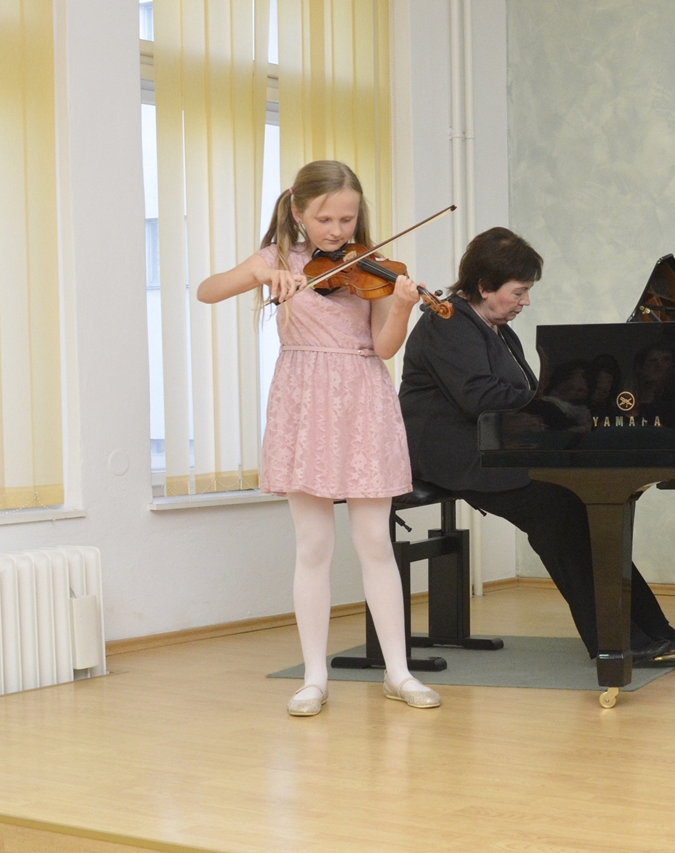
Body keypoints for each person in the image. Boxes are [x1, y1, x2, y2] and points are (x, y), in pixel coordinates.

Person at [197, 160, 440, 715]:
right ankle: (313, 677)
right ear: (297, 211)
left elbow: (383, 348)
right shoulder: (275, 260)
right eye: (325, 219)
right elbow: (208, 292)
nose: (337, 230)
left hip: (362, 396)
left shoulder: (372, 266)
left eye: (347, 219)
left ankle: (399, 673)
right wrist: (262, 275)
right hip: (303, 400)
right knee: (312, 545)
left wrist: (402, 306)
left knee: (375, 542)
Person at [398, 227, 675, 661]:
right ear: (484, 286)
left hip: (497, 445)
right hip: (453, 453)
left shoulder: (499, 330)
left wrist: (566, 410)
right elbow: (480, 398)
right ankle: (616, 643)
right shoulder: (447, 323)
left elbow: (526, 393)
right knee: (559, 508)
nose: (525, 301)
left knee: (587, 505)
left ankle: (655, 631)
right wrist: (557, 405)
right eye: (519, 291)